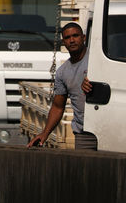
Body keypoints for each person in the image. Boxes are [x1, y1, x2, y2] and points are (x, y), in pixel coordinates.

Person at [27, 22, 96, 150]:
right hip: (83, 133)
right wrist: (45, 133)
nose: (72, 40)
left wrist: (95, 84)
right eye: (67, 38)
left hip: (105, 128)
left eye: (75, 36)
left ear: (84, 37)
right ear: (63, 42)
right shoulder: (62, 72)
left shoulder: (97, 60)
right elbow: (58, 107)